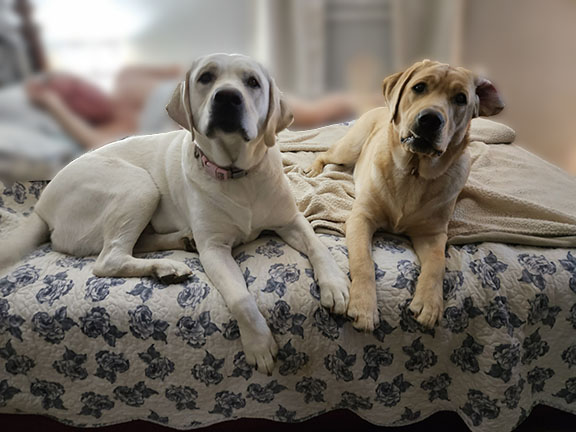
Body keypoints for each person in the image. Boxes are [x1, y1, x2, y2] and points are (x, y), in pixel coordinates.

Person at [26, 65, 363, 150]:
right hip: (210, 122)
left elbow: (181, 69)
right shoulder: (112, 131)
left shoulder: (128, 77)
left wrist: (203, 89)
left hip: (223, 96)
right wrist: (54, 106)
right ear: (74, 113)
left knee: (314, 112)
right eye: (73, 100)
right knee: (313, 120)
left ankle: (370, 102)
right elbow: (93, 143)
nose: (83, 95)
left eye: (77, 86)